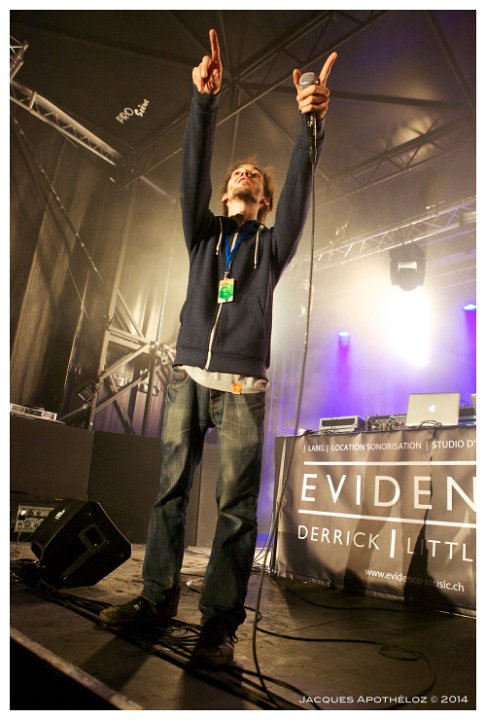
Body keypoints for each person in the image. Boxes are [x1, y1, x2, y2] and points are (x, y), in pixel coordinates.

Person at [100, 29, 337, 668]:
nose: (244, 174)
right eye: (238, 171)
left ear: (262, 199)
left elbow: (299, 192)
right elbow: (190, 172)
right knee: (169, 493)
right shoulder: (203, 234)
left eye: (254, 177)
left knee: (233, 509)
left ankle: (218, 627)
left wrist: (310, 126)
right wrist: (203, 102)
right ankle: (155, 600)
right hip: (187, 377)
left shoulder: (270, 245)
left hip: (241, 387)